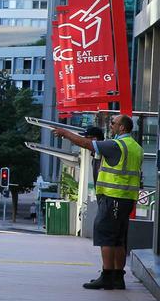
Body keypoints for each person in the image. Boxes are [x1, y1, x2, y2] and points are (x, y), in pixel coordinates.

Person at [53, 116, 142, 290]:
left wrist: (65, 133)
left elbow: (87, 144)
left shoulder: (117, 145)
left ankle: (107, 276)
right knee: (119, 239)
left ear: (122, 127)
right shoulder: (136, 147)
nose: (111, 126)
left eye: (113, 123)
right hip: (127, 199)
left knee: (107, 237)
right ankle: (118, 277)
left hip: (113, 197)